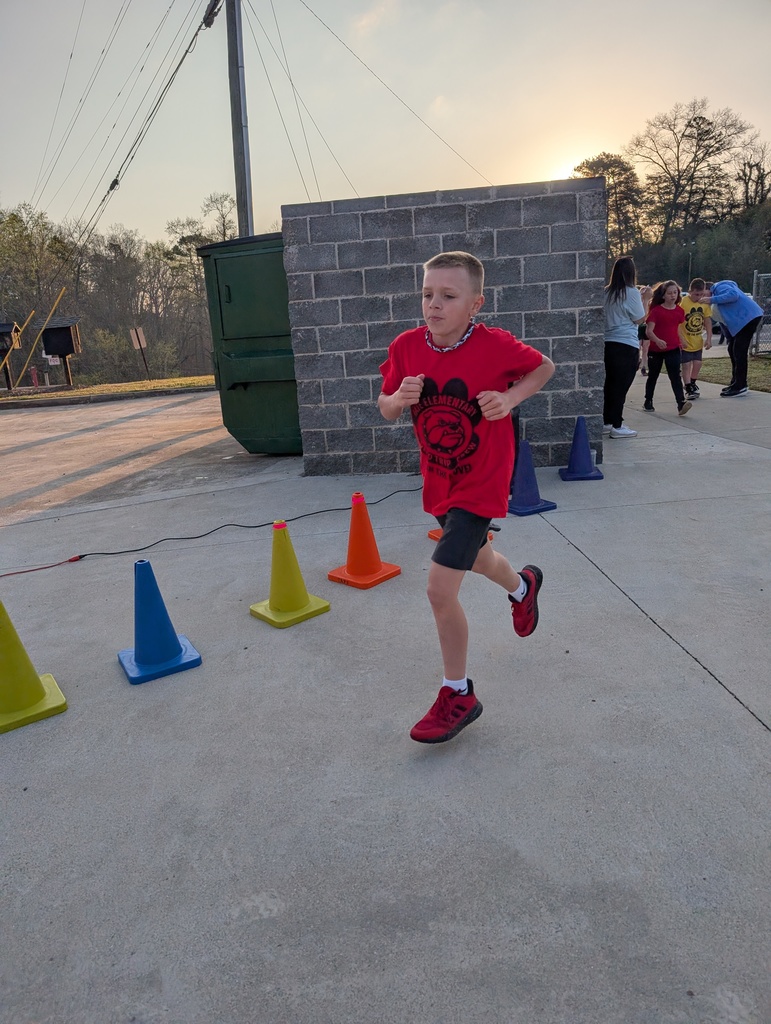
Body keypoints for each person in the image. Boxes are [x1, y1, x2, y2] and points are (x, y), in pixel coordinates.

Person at [378, 251, 555, 744]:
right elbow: (386, 407)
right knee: (479, 560)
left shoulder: (495, 346)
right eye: (427, 294)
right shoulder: (407, 346)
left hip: (483, 484)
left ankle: (458, 693)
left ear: (475, 303)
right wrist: (399, 399)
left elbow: (544, 367)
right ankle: (523, 587)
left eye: (448, 296)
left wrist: (511, 399)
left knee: (439, 588)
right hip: (440, 481)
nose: (434, 305)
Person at [602, 256, 652, 437]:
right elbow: (639, 319)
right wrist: (645, 299)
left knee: (610, 385)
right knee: (621, 386)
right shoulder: (630, 292)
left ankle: (607, 421)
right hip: (626, 344)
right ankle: (617, 425)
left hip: (608, 343)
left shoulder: (606, 292)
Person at [700, 281, 763, 397]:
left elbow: (733, 295)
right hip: (743, 321)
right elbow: (724, 321)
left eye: (703, 294)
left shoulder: (720, 287)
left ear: (708, 288)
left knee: (739, 351)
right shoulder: (716, 301)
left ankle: (741, 385)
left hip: (749, 318)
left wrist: (712, 299)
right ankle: (735, 382)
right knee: (732, 349)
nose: (703, 298)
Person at [644, 280, 692, 416]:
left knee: (675, 375)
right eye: (669, 293)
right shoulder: (656, 311)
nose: (672, 296)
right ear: (663, 295)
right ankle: (648, 400)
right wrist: (657, 340)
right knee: (653, 375)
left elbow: (676, 328)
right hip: (656, 349)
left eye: (675, 293)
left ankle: (681, 403)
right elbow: (649, 331)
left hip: (673, 348)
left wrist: (682, 340)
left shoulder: (679, 311)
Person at [679, 277, 712, 399]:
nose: (698, 297)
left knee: (697, 363)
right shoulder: (683, 302)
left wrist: (709, 338)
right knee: (686, 365)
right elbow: (677, 322)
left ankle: (693, 383)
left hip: (697, 340)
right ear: (690, 291)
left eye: (701, 294)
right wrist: (681, 338)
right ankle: (687, 386)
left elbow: (707, 321)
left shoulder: (704, 303)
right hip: (686, 341)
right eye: (696, 294)